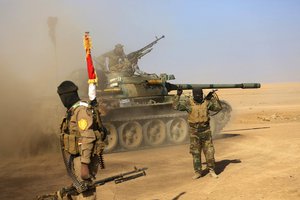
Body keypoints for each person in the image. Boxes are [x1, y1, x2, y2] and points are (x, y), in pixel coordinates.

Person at [57, 80, 106, 199]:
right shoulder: (73, 110)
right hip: (77, 157)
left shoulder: (81, 110)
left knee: (86, 194)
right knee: (77, 191)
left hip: (84, 158)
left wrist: (84, 164)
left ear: (67, 96)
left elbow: (88, 137)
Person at [173, 87, 222, 179]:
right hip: (194, 133)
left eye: (200, 95)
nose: (198, 97)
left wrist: (211, 97)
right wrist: (178, 95)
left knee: (210, 152)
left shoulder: (206, 103)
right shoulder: (188, 104)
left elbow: (218, 107)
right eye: (196, 95)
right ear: (193, 95)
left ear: (202, 94)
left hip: (206, 131)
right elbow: (176, 106)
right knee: (195, 153)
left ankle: (211, 170)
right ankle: (198, 172)